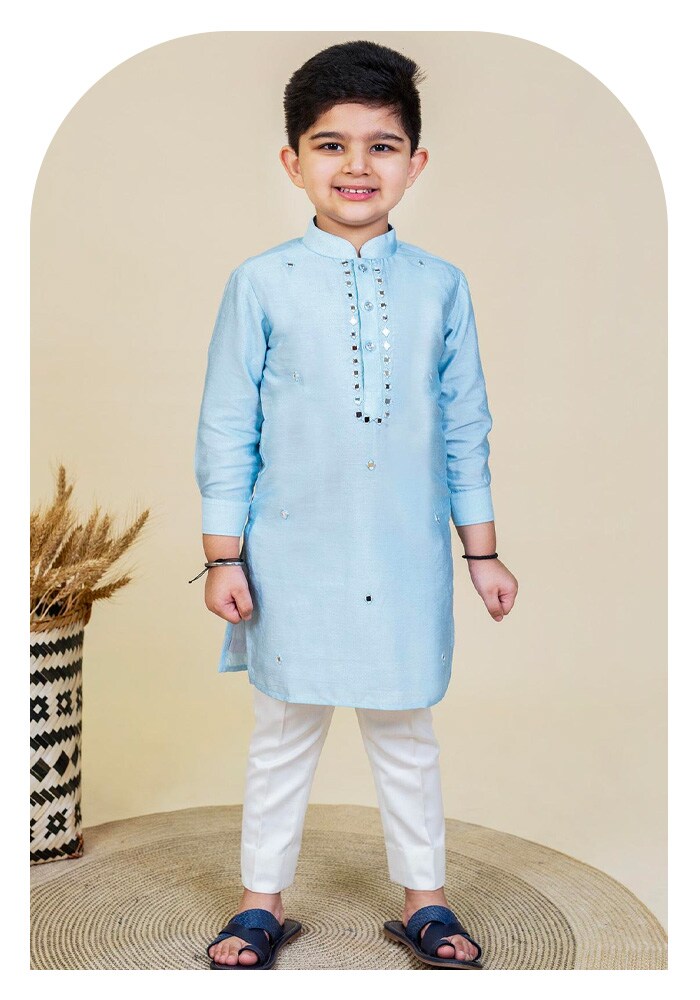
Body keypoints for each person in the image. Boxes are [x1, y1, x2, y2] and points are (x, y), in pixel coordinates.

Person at [193, 39, 518, 971]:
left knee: (406, 731)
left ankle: (426, 902)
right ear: (292, 161)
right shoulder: (261, 282)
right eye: (331, 145)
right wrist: (223, 557)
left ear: (416, 163)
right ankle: (260, 904)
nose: (357, 166)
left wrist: (482, 553)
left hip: (404, 552)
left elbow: (466, 424)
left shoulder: (441, 286)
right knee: (283, 732)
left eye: (382, 145)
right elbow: (227, 425)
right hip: (291, 554)